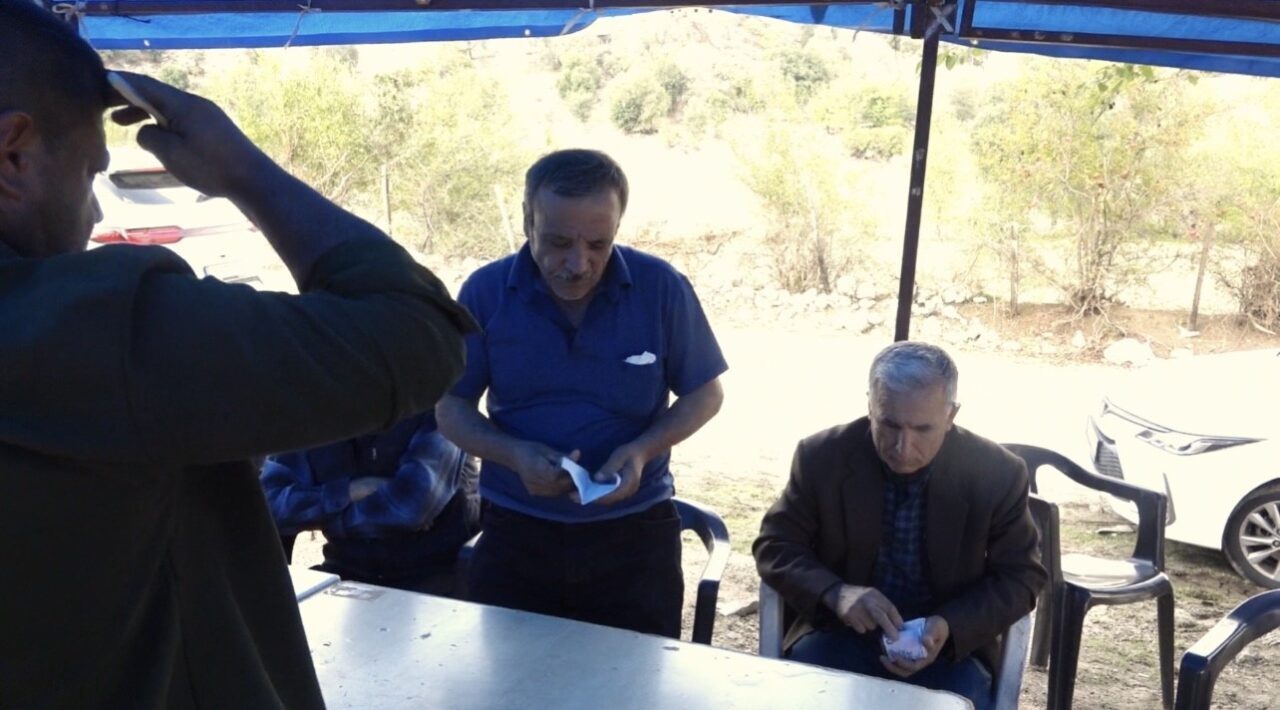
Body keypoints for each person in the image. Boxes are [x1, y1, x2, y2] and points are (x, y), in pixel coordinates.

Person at [0, 4, 475, 708]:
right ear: (12, 153)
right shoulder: (90, 330)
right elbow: (417, 333)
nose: (96, 214)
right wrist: (242, 171)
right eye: (91, 173)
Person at [436, 148, 727, 638]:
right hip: (516, 533)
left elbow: (706, 394)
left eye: (598, 244)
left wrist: (641, 450)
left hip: (636, 537)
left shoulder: (660, 288)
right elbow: (450, 409)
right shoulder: (485, 292)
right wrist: (514, 454)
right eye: (558, 242)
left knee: (632, 677)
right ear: (527, 221)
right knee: (511, 677)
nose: (578, 263)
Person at [753, 341, 1045, 710]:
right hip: (840, 633)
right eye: (889, 424)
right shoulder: (823, 456)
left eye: (923, 429)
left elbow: (1022, 577)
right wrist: (837, 592)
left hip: (948, 648)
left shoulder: (997, 472)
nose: (902, 447)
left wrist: (949, 625)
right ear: (870, 406)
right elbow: (775, 545)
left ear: (951, 415)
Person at [261, 410, 480, 595]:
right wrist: (348, 491)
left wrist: (324, 517)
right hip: (345, 570)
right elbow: (269, 506)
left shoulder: (435, 406)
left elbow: (409, 509)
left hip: (436, 574)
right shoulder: (312, 413)